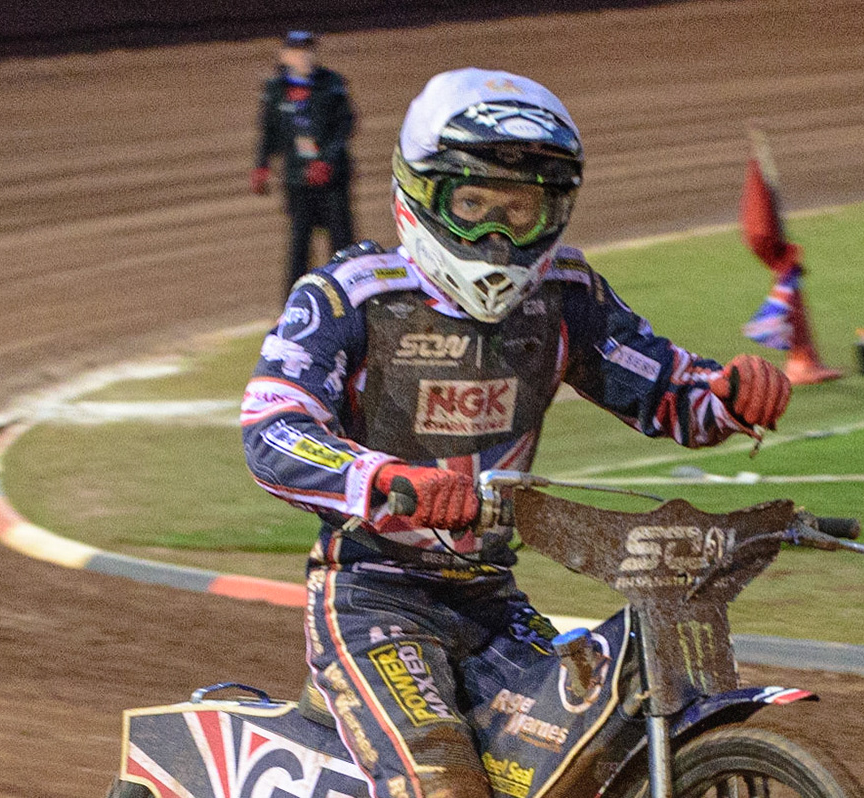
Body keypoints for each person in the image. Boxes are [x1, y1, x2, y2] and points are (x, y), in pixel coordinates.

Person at [241, 68, 792, 798]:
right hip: (373, 601)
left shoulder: (565, 296)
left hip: (492, 600)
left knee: (593, 754)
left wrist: (729, 395)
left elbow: (664, 391)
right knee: (446, 783)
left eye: (522, 210)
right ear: (422, 193)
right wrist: (384, 480)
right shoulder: (348, 296)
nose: (498, 236)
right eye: (472, 205)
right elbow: (272, 429)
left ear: (554, 212)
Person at [251, 30, 357, 298]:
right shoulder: (275, 91)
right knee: (299, 246)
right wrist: (262, 165)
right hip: (298, 182)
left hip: (333, 180)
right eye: (298, 52)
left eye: (309, 50)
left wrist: (327, 160)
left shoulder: (331, 84)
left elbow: (346, 125)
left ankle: (352, 301)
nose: (305, 57)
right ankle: (294, 307)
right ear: (285, 55)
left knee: (342, 245)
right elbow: (269, 132)